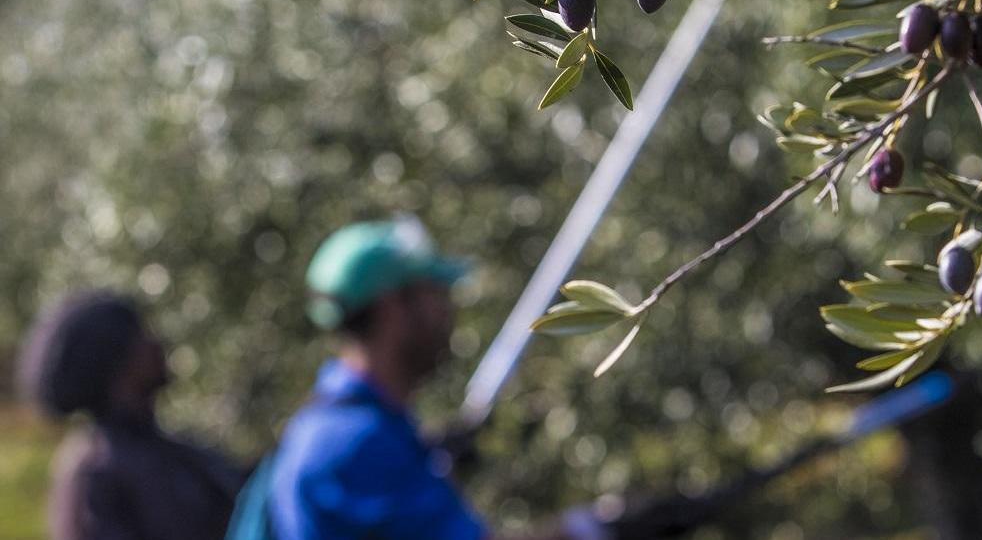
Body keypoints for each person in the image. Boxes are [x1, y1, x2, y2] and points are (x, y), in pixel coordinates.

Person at [268, 217, 608, 540]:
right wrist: (595, 529)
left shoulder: (348, 424)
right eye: (436, 294)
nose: (449, 311)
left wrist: (430, 457)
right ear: (393, 309)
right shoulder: (357, 442)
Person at [17, 290, 245, 540]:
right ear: (114, 358)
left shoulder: (174, 453)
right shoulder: (95, 471)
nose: (157, 342)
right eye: (141, 333)